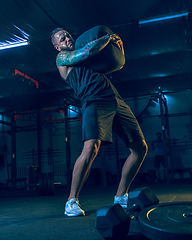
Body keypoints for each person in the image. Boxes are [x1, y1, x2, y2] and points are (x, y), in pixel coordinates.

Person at [51, 27, 147, 217]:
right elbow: (87, 50)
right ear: (57, 46)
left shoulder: (88, 59)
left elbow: (113, 60)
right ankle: (71, 201)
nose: (68, 39)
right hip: (93, 100)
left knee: (140, 148)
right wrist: (108, 37)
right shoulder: (62, 59)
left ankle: (121, 197)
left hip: (115, 99)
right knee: (91, 148)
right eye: (62, 39)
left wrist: (116, 46)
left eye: (69, 35)